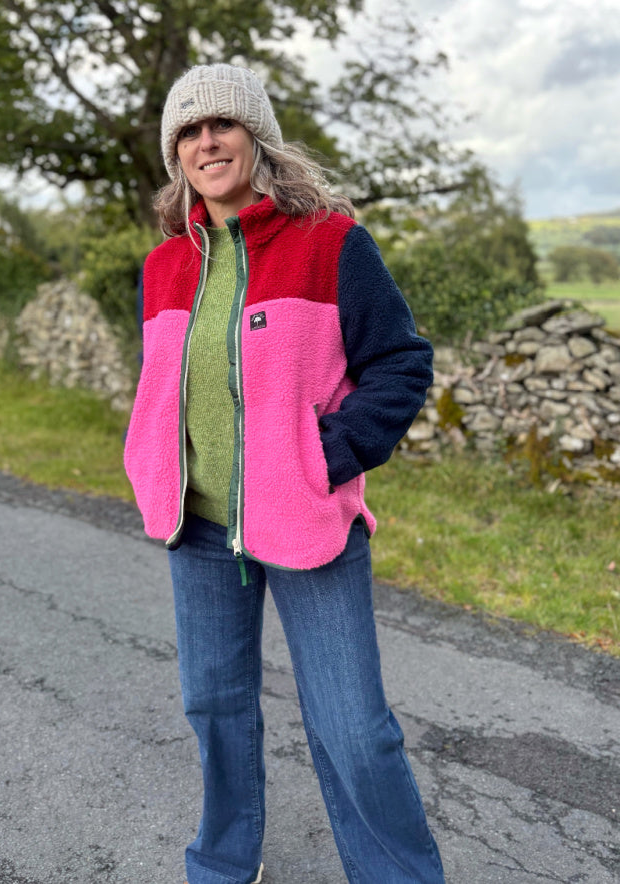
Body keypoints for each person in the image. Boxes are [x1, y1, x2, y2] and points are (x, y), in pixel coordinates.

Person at [124, 63, 444, 884]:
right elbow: (165, 379)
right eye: (189, 133)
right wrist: (150, 455)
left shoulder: (331, 243)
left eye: (221, 125)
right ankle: (225, 864)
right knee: (215, 710)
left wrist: (326, 456)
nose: (206, 142)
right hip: (196, 527)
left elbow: (402, 365)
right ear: (176, 156)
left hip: (304, 517)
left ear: (255, 137)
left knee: (353, 728)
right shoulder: (165, 265)